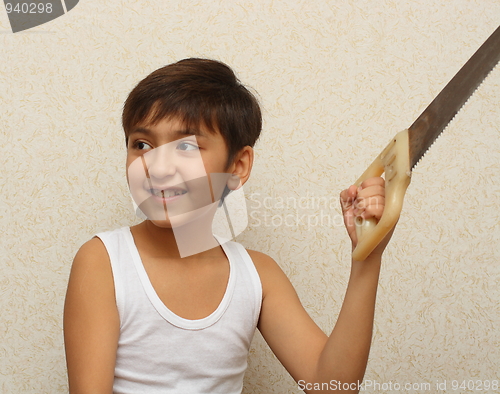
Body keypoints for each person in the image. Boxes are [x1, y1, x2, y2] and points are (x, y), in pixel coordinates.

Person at [63, 58, 391, 394]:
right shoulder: (103, 262)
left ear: (237, 165)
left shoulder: (257, 276)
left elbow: (332, 386)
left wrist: (367, 257)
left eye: (186, 146)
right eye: (142, 145)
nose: (157, 168)